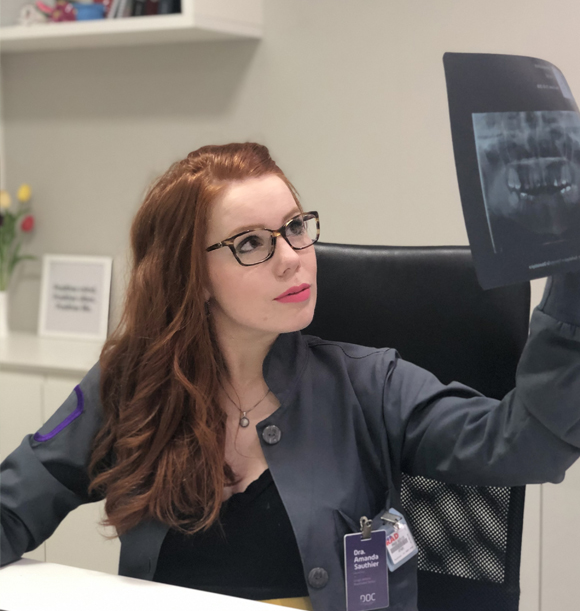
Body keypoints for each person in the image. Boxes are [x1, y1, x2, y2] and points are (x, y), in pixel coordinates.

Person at [2, 141, 580, 611]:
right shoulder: (132, 385)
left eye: (296, 227)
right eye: (251, 243)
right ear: (192, 276)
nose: (290, 258)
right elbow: (17, 503)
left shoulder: (369, 385)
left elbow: (525, 444)